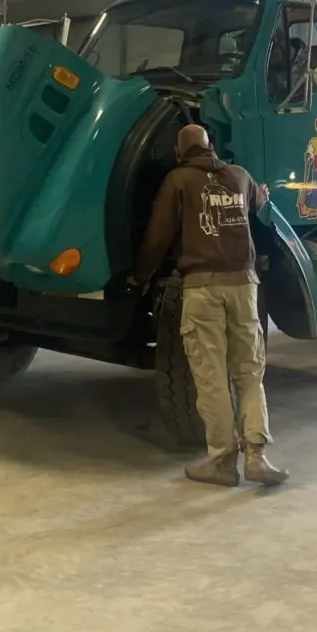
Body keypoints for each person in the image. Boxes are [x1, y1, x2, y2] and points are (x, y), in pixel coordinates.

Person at [132, 124, 289, 488]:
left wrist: (140, 275)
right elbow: (259, 201)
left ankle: (221, 462)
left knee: (212, 379)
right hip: (244, 287)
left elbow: (158, 236)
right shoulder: (239, 176)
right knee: (249, 373)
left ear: (178, 152)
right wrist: (261, 193)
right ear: (212, 147)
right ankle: (257, 455)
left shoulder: (178, 181)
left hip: (203, 289)